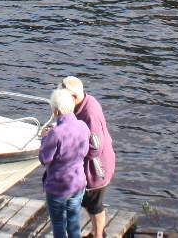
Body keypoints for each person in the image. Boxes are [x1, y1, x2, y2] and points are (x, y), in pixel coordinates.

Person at [63, 76, 116, 238]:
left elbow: (95, 147)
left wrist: (72, 151)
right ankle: (96, 232)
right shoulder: (85, 101)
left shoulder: (90, 114)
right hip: (89, 167)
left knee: (94, 204)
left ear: (74, 97)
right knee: (87, 202)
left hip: (96, 169)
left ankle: (98, 235)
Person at [39, 87, 89, 238]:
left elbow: (44, 158)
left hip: (58, 186)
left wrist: (44, 139)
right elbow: (85, 151)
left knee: (59, 224)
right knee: (74, 222)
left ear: (56, 111)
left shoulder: (55, 133)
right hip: (78, 182)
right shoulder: (83, 126)